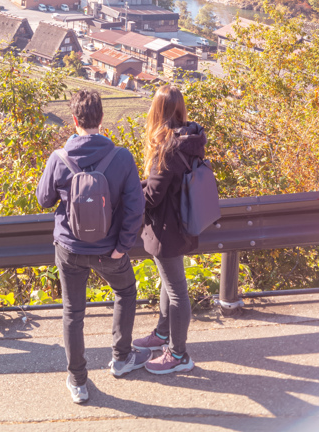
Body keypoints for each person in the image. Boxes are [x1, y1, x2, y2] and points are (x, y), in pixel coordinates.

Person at [37, 89, 149, 404]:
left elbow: (44, 199)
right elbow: (135, 208)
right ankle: (121, 357)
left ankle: (78, 381)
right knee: (125, 292)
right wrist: (121, 247)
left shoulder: (58, 158)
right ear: (101, 119)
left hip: (69, 250)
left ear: (74, 120)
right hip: (108, 250)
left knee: (73, 312)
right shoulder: (122, 157)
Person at [134, 83, 207, 375]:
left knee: (177, 291)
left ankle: (178, 354)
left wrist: (128, 193)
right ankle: (162, 335)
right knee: (169, 282)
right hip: (185, 223)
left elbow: (152, 196)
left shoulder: (167, 148)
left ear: (157, 110)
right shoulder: (190, 139)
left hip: (167, 230)